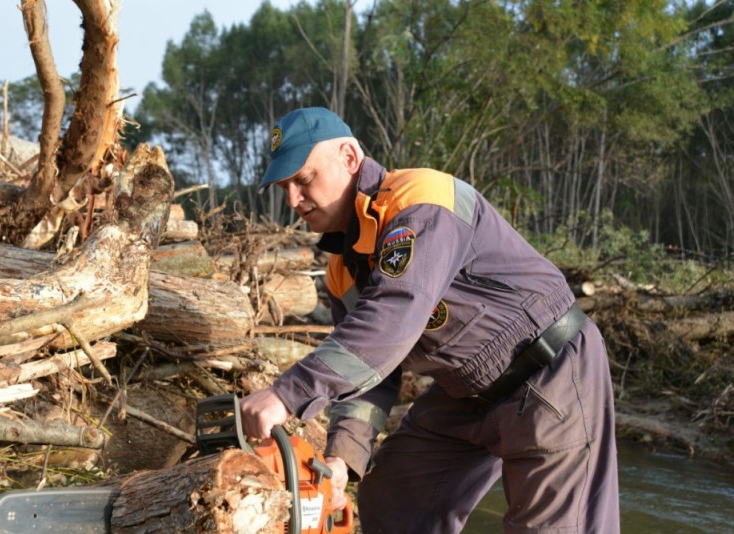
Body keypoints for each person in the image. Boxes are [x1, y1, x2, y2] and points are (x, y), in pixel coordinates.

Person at [240, 107, 619, 533]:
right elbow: (372, 375)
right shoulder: (342, 270)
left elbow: (392, 320)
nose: (292, 200)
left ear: (349, 157)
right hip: (464, 391)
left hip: (550, 371)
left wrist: (286, 393)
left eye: (303, 180)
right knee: (392, 494)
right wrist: (342, 455)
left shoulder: (421, 201)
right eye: (284, 187)